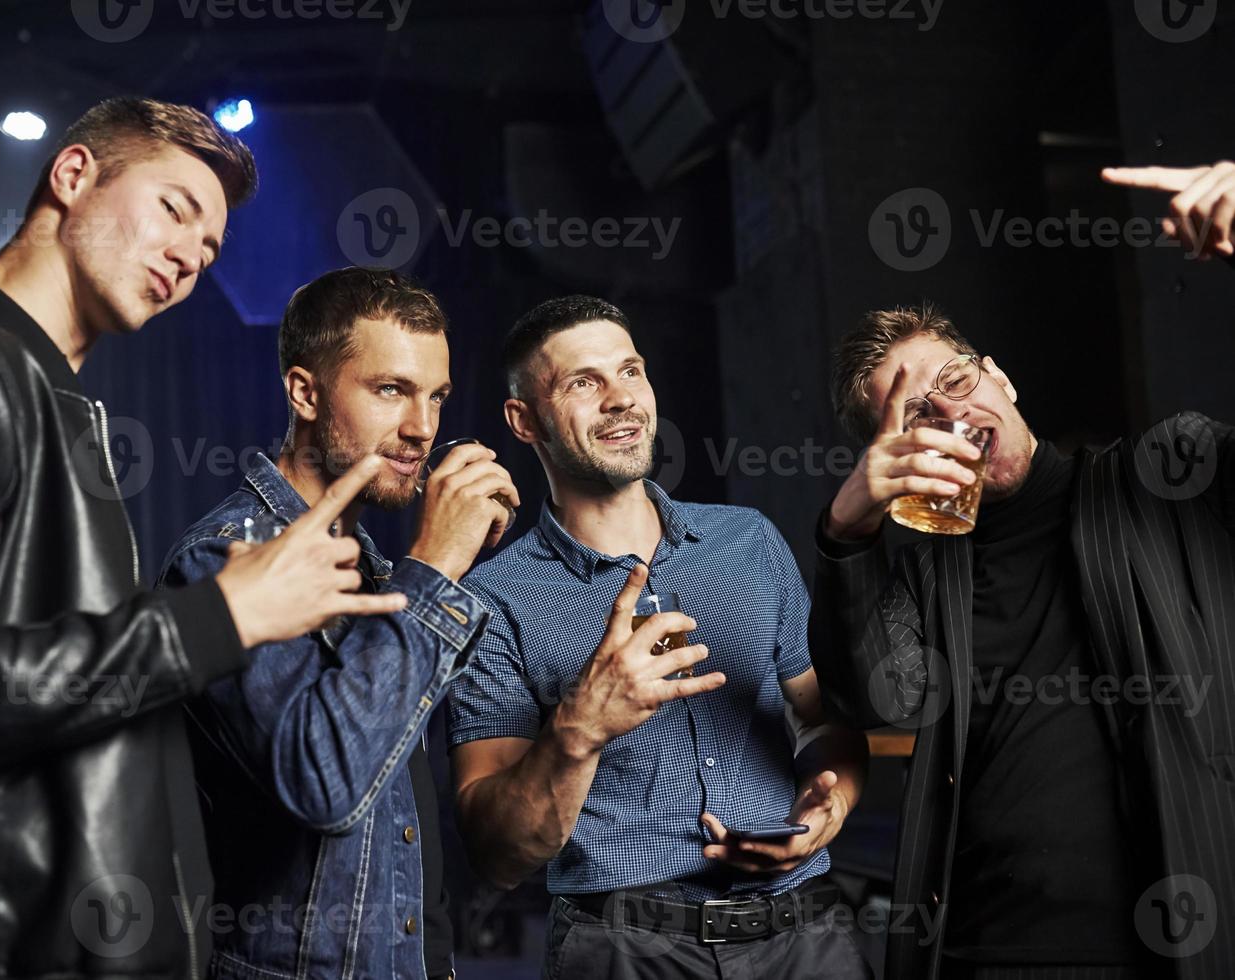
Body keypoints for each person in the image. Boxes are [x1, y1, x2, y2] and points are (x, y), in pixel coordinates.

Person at [0, 98, 405, 980]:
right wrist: (212, 620)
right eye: (174, 211)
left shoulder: (44, 397)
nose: (191, 257)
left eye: (210, 250)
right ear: (72, 177)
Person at [809, 161, 1235, 979]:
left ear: (998, 377)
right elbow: (875, 698)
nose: (951, 415)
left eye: (955, 381)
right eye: (913, 417)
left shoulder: (1166, 476)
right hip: (982, 950)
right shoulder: (927, 579)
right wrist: (847, 526)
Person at [448, 296, 872, 979]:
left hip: (806, 936)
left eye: (630, 371)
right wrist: (578, 728)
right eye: (583, 382)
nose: (620, 399)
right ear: (523, 420)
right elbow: (496, 853)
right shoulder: (493, 601)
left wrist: (833, 801)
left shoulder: (749, 541)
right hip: (623, 951)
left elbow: (823, 723)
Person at [158, 266, 519, 980]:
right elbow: (326, 785)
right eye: (390, 390)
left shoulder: (380, 570)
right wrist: (436, 567)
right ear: (304, 392)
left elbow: (404, 831)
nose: (421, 429)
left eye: (436, 397)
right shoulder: (224, 558)